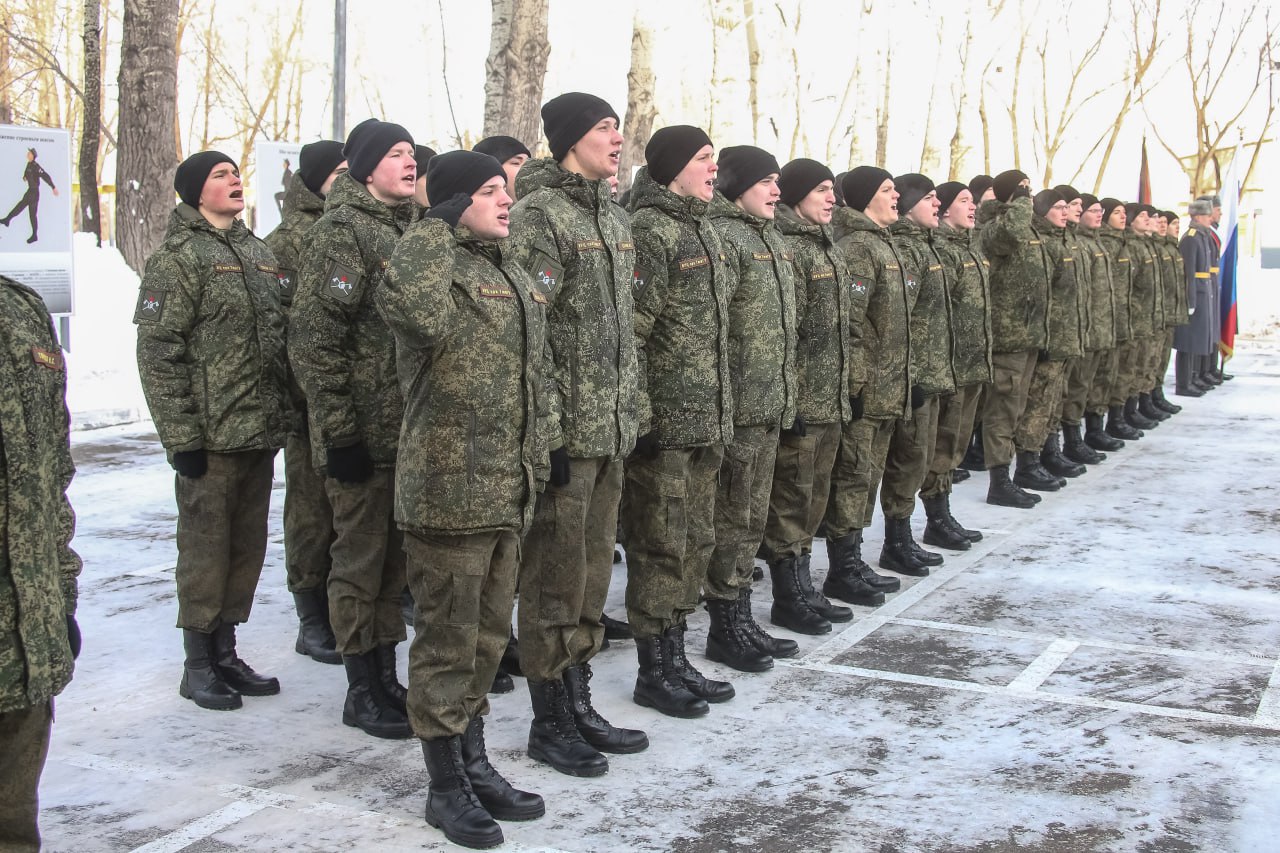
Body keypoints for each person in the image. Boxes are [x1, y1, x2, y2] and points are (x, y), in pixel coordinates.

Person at [379, 150, 550, 850]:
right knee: (448, 643)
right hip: (448, 490)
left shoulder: (501, 266)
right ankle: (443, 784)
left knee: (484, 640)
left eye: (505, 189)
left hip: (506, 485)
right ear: (452, 205)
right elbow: (411, 311)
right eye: (487, 191)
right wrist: (431, 224)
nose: (505, 200)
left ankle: (474, 762)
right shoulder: (429, 264)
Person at [505, 92, 647, 776]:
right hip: (568, 438)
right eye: (601, 128)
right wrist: (550, 436)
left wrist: (633, 410)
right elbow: (530, 337)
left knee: (589, 581)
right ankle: (548, 718)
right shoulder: (540, 218)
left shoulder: (613, 217)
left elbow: (625, 334)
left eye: (618, 126)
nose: (616, 138)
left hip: (611, 433)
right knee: (553, 583)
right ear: (568, 139)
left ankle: (579, 699)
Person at [135, 151, 290, 710]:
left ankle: (226, 652)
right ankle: (197, 663)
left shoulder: (256, 252)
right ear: (195, 191)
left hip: (257, 432)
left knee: (245, 549)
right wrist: (182, 438)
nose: (234, 181)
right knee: (204, 551)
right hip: (210, 437)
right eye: (221, 176)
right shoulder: (178, 258)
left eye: (235, 173)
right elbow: (158, 351)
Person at [289, 121, 420, 739]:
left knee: (393, 565)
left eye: (412, 153)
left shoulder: (408, 229)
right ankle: (361, 688)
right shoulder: (343, 233)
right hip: (362, 439)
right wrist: (340, 433)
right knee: (361, 562)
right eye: (395, 155)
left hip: (406, 436)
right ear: (366, 169)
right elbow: (316, 342)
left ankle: (385, 674)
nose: (409, 162)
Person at [622, 125, 735, 718]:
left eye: (714, 158)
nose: (712, 169)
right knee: (659, 543)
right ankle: (652, 669)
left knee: (695, 540)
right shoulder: (649, 230)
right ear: (670, 168)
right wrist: (641, 413)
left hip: (706, 418)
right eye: (701, 159)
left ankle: (677, 655)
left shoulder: (705, 228)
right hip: (664, 423)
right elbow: (633, 332)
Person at [765, 159, 883, 636]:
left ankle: (804, 584)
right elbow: (783, 336)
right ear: (796, 196)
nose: (831, 198)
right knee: (791, 501)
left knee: (813, 499)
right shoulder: (792, 251)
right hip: (803, 404)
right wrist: (790, 402)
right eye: (820, 190)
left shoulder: (827, 247)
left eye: (833, 189)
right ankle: (786, 595)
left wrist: (850, 386)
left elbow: (849, 329)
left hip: (830, 399)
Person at [704, 144, 804, 666]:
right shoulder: (723, 237)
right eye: (765, 181)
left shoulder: (771, 238)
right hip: (738, 405)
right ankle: (725, 623)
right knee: (731, 516)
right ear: (738, 186)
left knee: (752, 519)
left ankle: (741, 615)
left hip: (769, 403)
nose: (776, 191)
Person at [0, 274, 81, 850]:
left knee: (13, 818)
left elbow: (53, 471)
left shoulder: (20, 307)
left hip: (25, 617)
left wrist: (61, 594)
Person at [263, 139, 348, 666]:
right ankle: (311, 614)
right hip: (306, 403)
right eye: (338, 172)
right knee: (311, 513)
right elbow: (278, 333)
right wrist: (296, 400)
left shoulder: (351, 229)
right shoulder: (286, 243)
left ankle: (341, 609)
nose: (347, 180)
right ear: (315, 179)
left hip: (349, 401)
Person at [826, 167, 917, 580]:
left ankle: (856, 559)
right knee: (853, 476)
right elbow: (851, 324)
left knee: (868, 475)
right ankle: (843, 567)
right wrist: (855, 384)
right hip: (868, 389)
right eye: (886, 190)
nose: (896, 195)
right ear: (866, 198)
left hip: (889, 389)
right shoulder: (859, 248)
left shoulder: (884, 244)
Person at [882, 173, 954, 567]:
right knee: (908, 458)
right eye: (928, 198)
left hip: (931, 371)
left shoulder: (928, 246)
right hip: (912, 376)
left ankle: (907, 534)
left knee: (923, 455)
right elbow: (899, 321)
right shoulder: (906, 250)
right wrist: (911, 375)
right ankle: (896, 541)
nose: (937, 205)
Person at [976, 169, 1052, 508]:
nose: (1029, 196)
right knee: (1002, 411)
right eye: (1022, 190)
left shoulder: (1026, 226)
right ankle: (999, 480)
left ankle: (1017, 471)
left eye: (1030, 190)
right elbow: (1009, 234)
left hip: (1028, 334)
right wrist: (1019, 202)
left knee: (1018, 407)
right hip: (1007, 337)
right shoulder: (993, 227)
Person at [923, 181, 991, 546]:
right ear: (946, 209)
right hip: (948, 367)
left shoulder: (969, 247)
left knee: (956, 445)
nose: (973, 207)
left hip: (970, 365)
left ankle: (944, 512)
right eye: (964, 201)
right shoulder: (942, 252)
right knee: (943, 446)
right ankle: (936, 516)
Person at [1018, 189, 1086, 484]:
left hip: (1065, 336)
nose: (1065, 212)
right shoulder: (1041, 242)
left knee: (1054, 400)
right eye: (1058, 207)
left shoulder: (1063, 240)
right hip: (1049, 338)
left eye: (1065, 207)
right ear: (1043, 211)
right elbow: (1036, 295)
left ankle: (1050, 450)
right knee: (1038, 402)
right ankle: (1028, 462)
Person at [1061, 193, 1117, 463]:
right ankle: (1072, 440)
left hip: (1100, 328)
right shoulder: (1078, 244)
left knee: (1094, 383)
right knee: (1076, 387)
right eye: (1087, 209)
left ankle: (1092, 430)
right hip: (1083, 330)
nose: (1097, 214)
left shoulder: (1096, 243)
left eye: (1097, 210)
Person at [1174, 199, 1217, 396]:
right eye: (1208, 216)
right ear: (1198, 217)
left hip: (1203, 291)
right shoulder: (1191, 237)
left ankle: (1193, 378)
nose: (1211, 219)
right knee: (1188, 341)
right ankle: (1184, 383)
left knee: (1198, 339)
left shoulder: (1202, 236)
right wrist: (1190, 300)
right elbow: (1188, 272)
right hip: (1195, 294)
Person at [1, 148, 58, 244]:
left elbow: (45, 176)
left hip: (34, 193)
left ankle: (34, 235)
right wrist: (24, 177)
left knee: (32, 215)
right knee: (20, 207)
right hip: (30, 191)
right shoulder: (29, 164)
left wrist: (53, 187)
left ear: (32, 155)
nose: (27, 154)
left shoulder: (36, 166)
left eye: (29, 153)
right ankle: (7, 220)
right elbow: (26, 173)